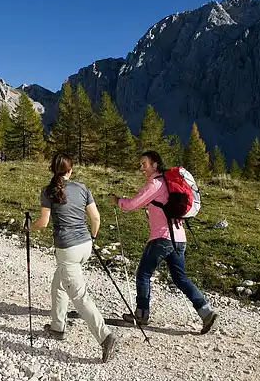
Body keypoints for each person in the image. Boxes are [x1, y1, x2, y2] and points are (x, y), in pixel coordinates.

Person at [109, 151, 218, 334]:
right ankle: (206, 313)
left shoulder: (155, 183)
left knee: (143, 273)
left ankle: (142, 314)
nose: (141, 168)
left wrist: (118, 201)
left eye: (144, 164)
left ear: (155, 165)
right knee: (180, 278)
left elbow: (132, 203)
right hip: (179, 238)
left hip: (162, 237)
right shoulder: (167, 184)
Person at [30, 153, 117, 363]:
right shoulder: (82, 188)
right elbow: (96, 218)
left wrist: (28, 227)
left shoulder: (48, 191)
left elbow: (43, 222)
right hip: (85, 245)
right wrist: (93, 236)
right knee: (58, 285)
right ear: (71, 170)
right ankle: (57, 327)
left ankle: (105, 337)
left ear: (53, 169)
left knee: (79, 296)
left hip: (67, 250)